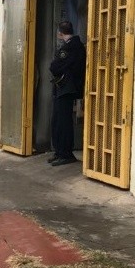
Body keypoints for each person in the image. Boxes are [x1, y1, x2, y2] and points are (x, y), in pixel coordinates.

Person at [49, 20, 86, 166]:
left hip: (67, 89)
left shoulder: (71, 47)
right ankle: (60, 152)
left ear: (60, 33)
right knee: (58, 121)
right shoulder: (74, 46)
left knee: (63, 122)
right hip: (66, 88)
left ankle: (65, 153)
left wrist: (55, 65)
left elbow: (55, 67)